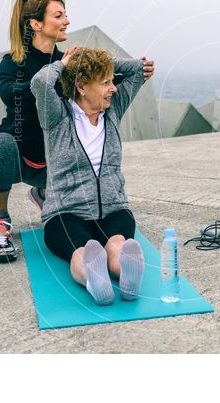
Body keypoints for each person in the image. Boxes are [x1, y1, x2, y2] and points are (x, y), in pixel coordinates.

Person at [0, 0, 153, 265]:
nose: (66, 21)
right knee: (1, 144)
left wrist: (120, 64)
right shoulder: (13, 62)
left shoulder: (67, 61)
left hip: (56, 162)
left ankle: (45, 193)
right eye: (59, 15)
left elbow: (110, 75)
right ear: (36, 24)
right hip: (21, 157)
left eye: (65, 15)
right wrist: (57, 71)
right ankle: (1, 218)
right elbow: (13, 94)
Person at [30, 46, 150, 305]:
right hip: (66, 211)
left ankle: (127, 273)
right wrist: (67, 64)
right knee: (82, 250)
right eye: (105, 82)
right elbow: (40, 81)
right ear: (82, 86)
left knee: (117, 243)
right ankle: (95, 280)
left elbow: (139, 70)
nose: (114, 88)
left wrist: (102, 62)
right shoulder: (57, 116)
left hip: (113, 207)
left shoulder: (113, 109)